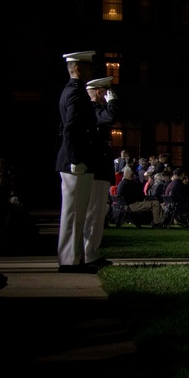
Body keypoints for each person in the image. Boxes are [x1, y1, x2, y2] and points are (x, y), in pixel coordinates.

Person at [56, 50, 101, 273]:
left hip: (77, 158)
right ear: (79, 68)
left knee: (77, 213)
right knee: (73, 213)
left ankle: (75, 259)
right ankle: (69, 261)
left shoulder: (72, 91)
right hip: (75, 160)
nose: (92, 71)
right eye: (89, 67)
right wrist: (75, 158)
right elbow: (71, 128)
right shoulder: (75, 93)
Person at [82, 76, 119, 268]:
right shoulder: (93, 110)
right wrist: (113, 101)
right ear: (99, 92)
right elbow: (110, 117)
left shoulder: (95, 110)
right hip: (96, 166)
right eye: (106, 91)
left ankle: (91, 252)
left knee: (97, 211)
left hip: (99, 165)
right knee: (94, 211)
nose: (107, 95)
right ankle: (89, 253)